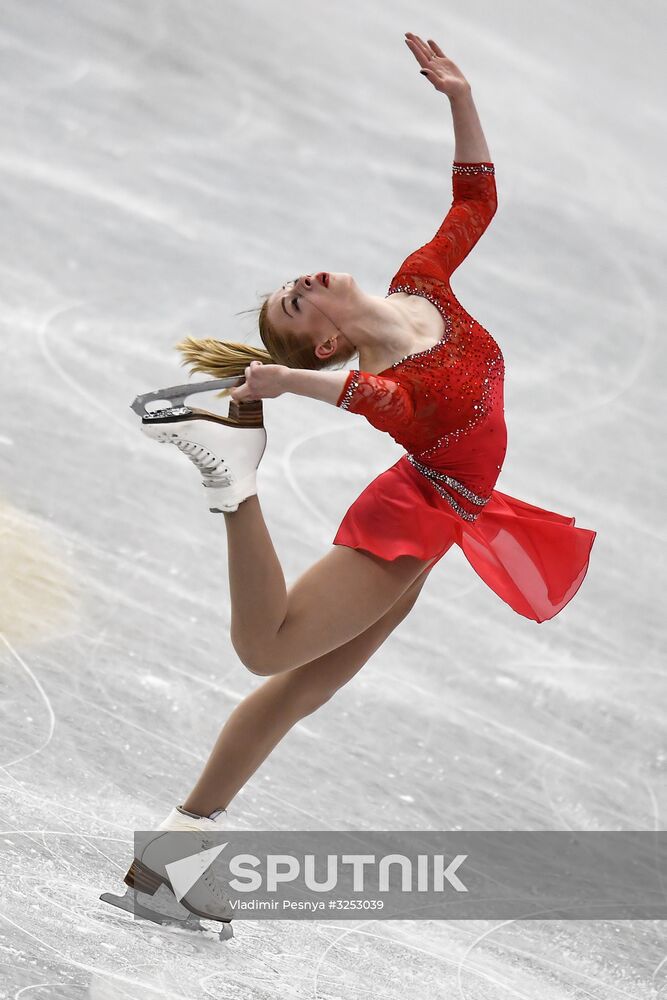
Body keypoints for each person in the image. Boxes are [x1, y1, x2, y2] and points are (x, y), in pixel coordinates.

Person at [120, 33, 596, 922]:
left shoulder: (425, 286)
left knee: (305, 684)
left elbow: (474, 201)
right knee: (268, 649)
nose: (299, 282)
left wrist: (458, 94)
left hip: (445, 519)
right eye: (295, 307)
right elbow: (359, 393)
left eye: (290, 287)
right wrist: (281, 382)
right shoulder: (396, 389)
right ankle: (234, 478)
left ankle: (170, 864)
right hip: (410, 517)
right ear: (328, 338)